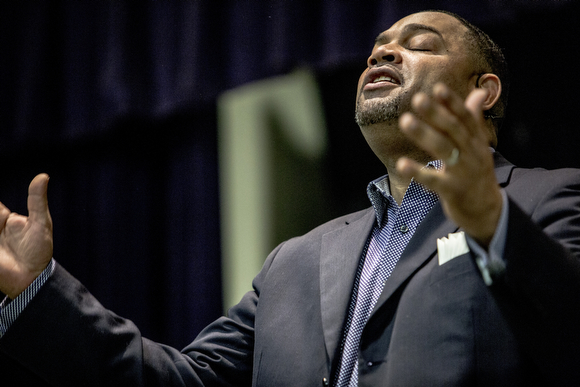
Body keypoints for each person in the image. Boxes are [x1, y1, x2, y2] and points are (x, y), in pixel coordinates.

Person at [1, 9, 580, 387]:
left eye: (418, 45)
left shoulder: (549, 196)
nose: (382, 54)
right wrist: (37, 293)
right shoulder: (294, 263)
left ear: (485, 91)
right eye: (376, 48)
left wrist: (493, 224)